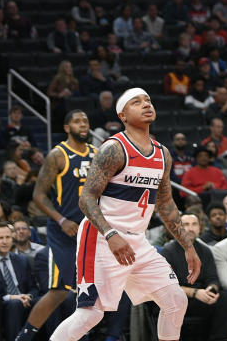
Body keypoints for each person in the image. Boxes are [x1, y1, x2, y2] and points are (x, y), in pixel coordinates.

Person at [47, 88, 199, 341]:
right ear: (123, 115)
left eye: (148, 100)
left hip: (137, 240)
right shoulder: (114, 148)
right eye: (136, 102)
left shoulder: (162, 154)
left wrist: (188, 246)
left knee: (176, 300)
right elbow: (86, 198)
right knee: (90, 314)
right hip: (101, 237)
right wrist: (110, 233)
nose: (146, 104)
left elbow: (166, 204)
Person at [13, 110, 98, 341]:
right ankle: (25, 337)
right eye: (77, 121)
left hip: (89, 231)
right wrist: (61, 220)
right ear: (67, 127)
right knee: (60, 291)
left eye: (86, 121)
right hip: (64, 231)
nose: (83, 124)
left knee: (82, 290)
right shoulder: (58, 155)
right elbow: (39, 195)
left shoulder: (96, 154)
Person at [158, 212, 227, 340]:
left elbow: (212, 278)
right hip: (177, 298)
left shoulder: (205, 251)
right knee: (173, 301)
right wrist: (195, 292)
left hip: (200, 298)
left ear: (200, 228)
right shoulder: (168, 252)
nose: (190, 228)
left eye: (194, 224)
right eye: (186, 224)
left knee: (225, 299)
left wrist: (211, 289)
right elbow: (167, 287)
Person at [0, 222, 39, 341]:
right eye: (0, 238)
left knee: (43, 301)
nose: (5, 241)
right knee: (14, 304)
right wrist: (12, 297)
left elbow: (33, 287)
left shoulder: (22, 260)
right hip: (3, 304)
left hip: (26, 300)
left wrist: (28, 296)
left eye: (8, 237)